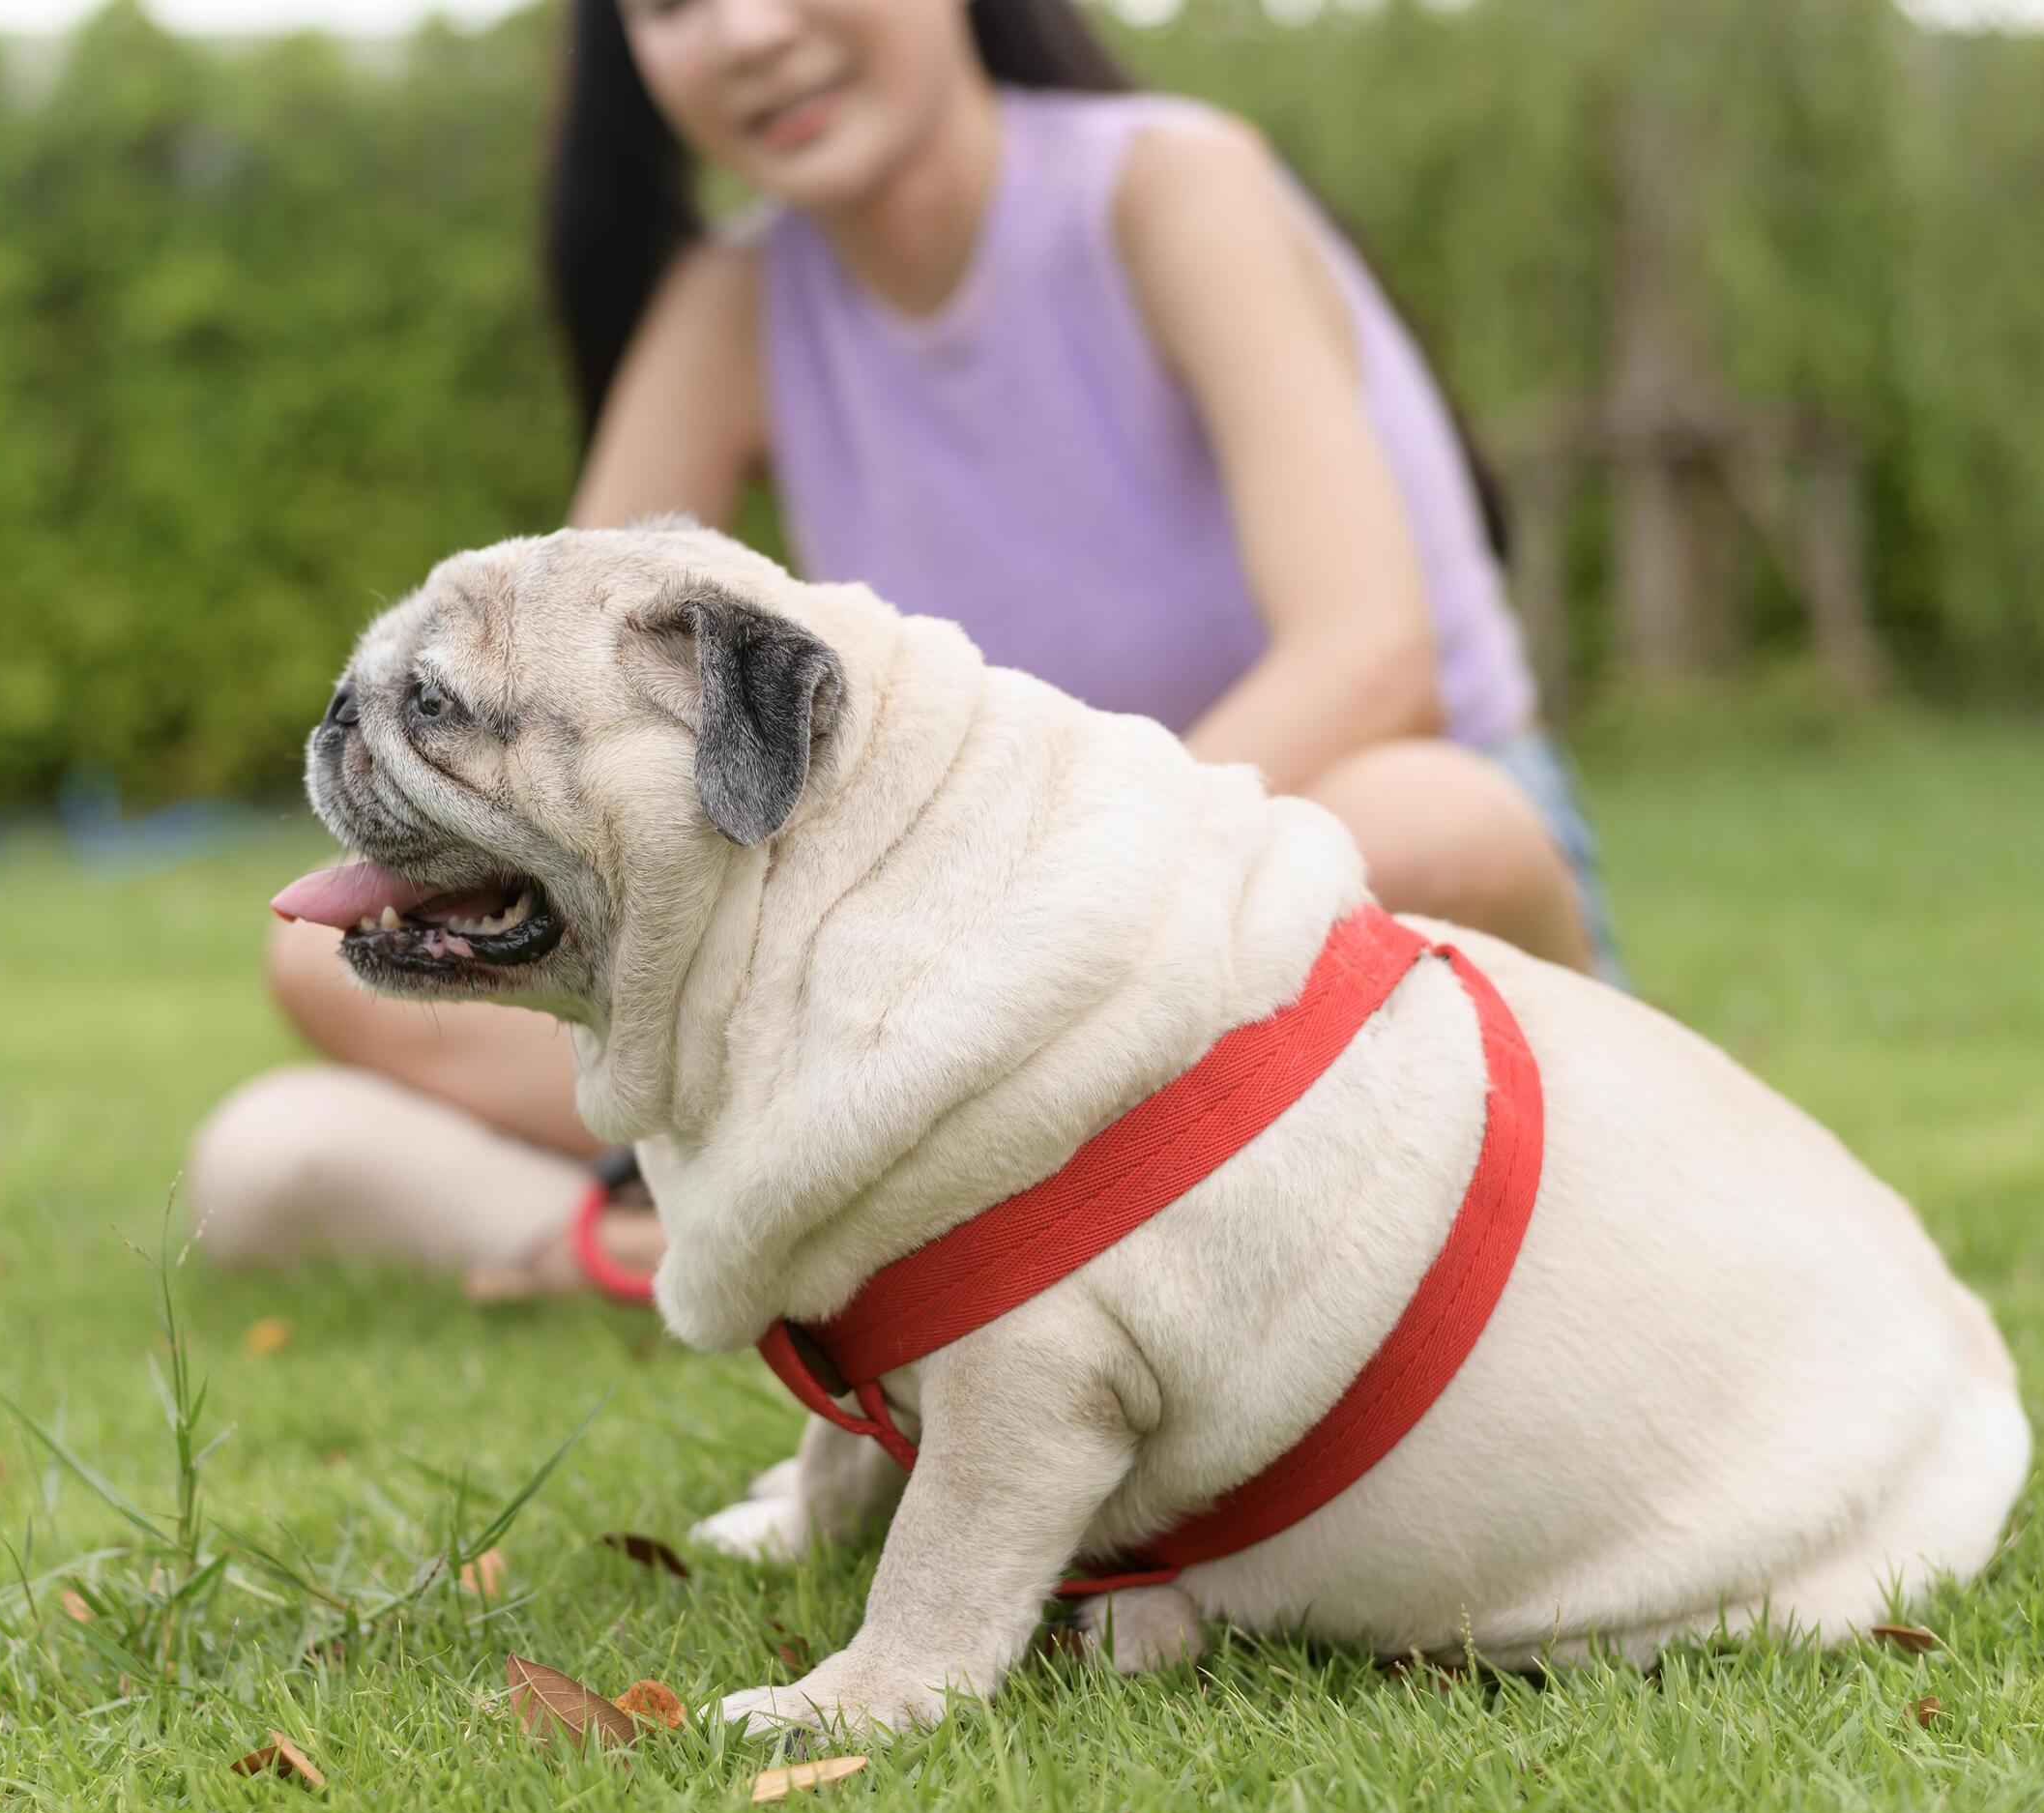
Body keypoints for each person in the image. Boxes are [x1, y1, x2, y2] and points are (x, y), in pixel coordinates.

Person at [186, 0, 1620, 1294]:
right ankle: (719, 1247)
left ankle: (833, 1233)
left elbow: (1373, 659)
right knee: (325, 976)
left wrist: (1012, 909)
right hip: (955, 957)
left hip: (1287, 868)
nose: (746, 34)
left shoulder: (1173, 182)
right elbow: (549, 733)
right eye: (674, 3)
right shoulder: (729, 307)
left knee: (1434, 822)